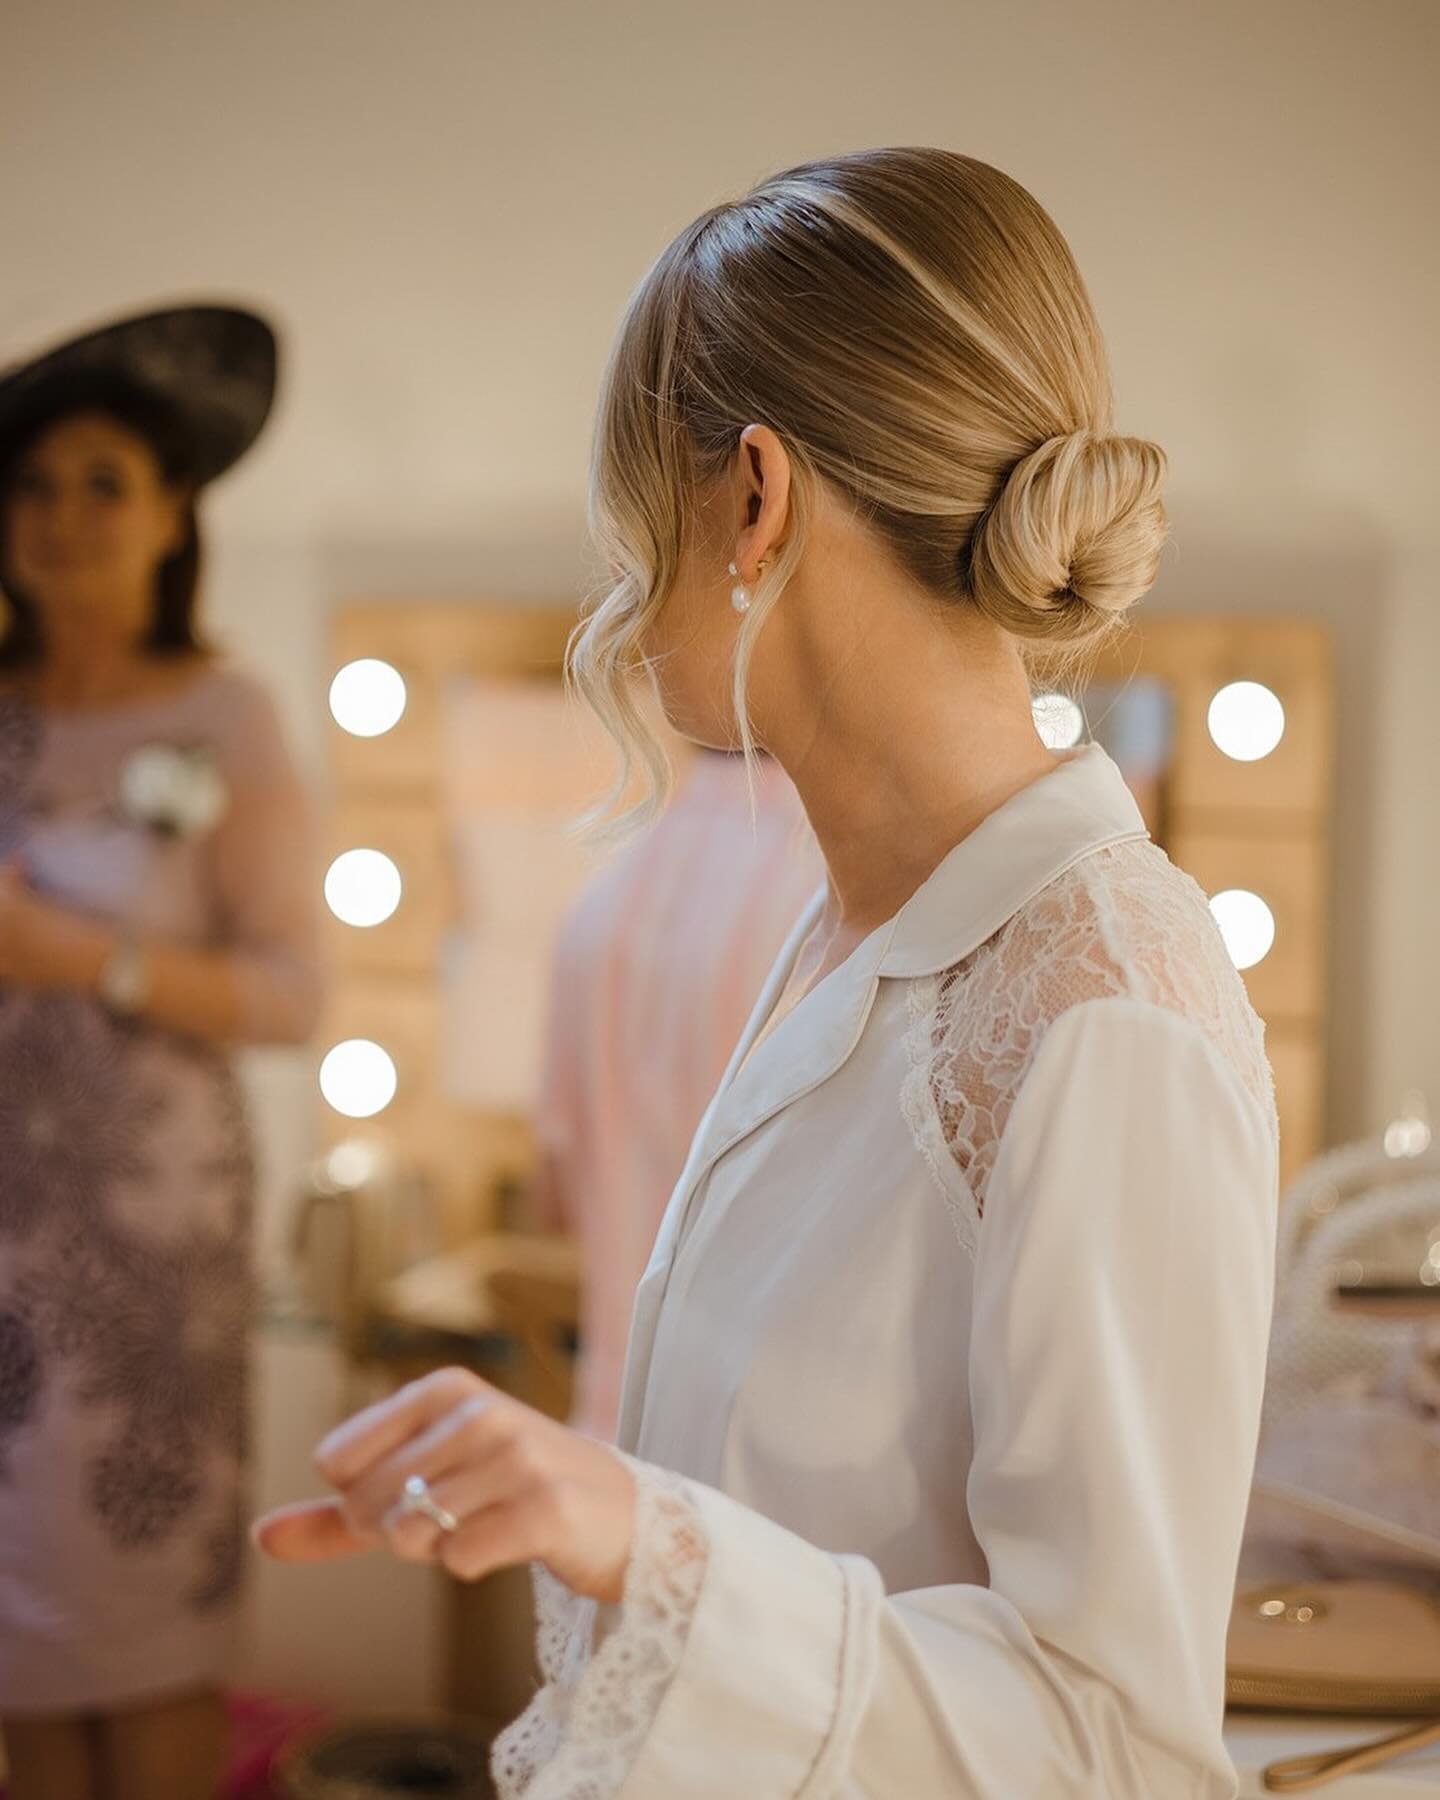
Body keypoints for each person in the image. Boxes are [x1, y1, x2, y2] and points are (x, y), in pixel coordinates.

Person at [257, 149, 1278, 1797]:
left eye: (628, 518)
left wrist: (635, 1533)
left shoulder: (1107, 1008)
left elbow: (1118, 1748)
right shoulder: (842, 928)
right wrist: (579, 1503)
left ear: (754, 498)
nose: (615, 586)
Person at [0, 306, 323, 1800]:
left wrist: (81, 958)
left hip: (145, 1251)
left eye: (102, 484)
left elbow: (288, 994)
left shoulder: (225, 716)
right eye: (34, 484)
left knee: (146, 1640)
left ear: (173, 514)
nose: (61, 519)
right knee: (19, 1659)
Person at [531, 747, 821, 1440]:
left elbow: (553, 1200)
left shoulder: (602, 900)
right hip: (772, 1444)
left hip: (619, 1417)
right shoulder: (834, 906)